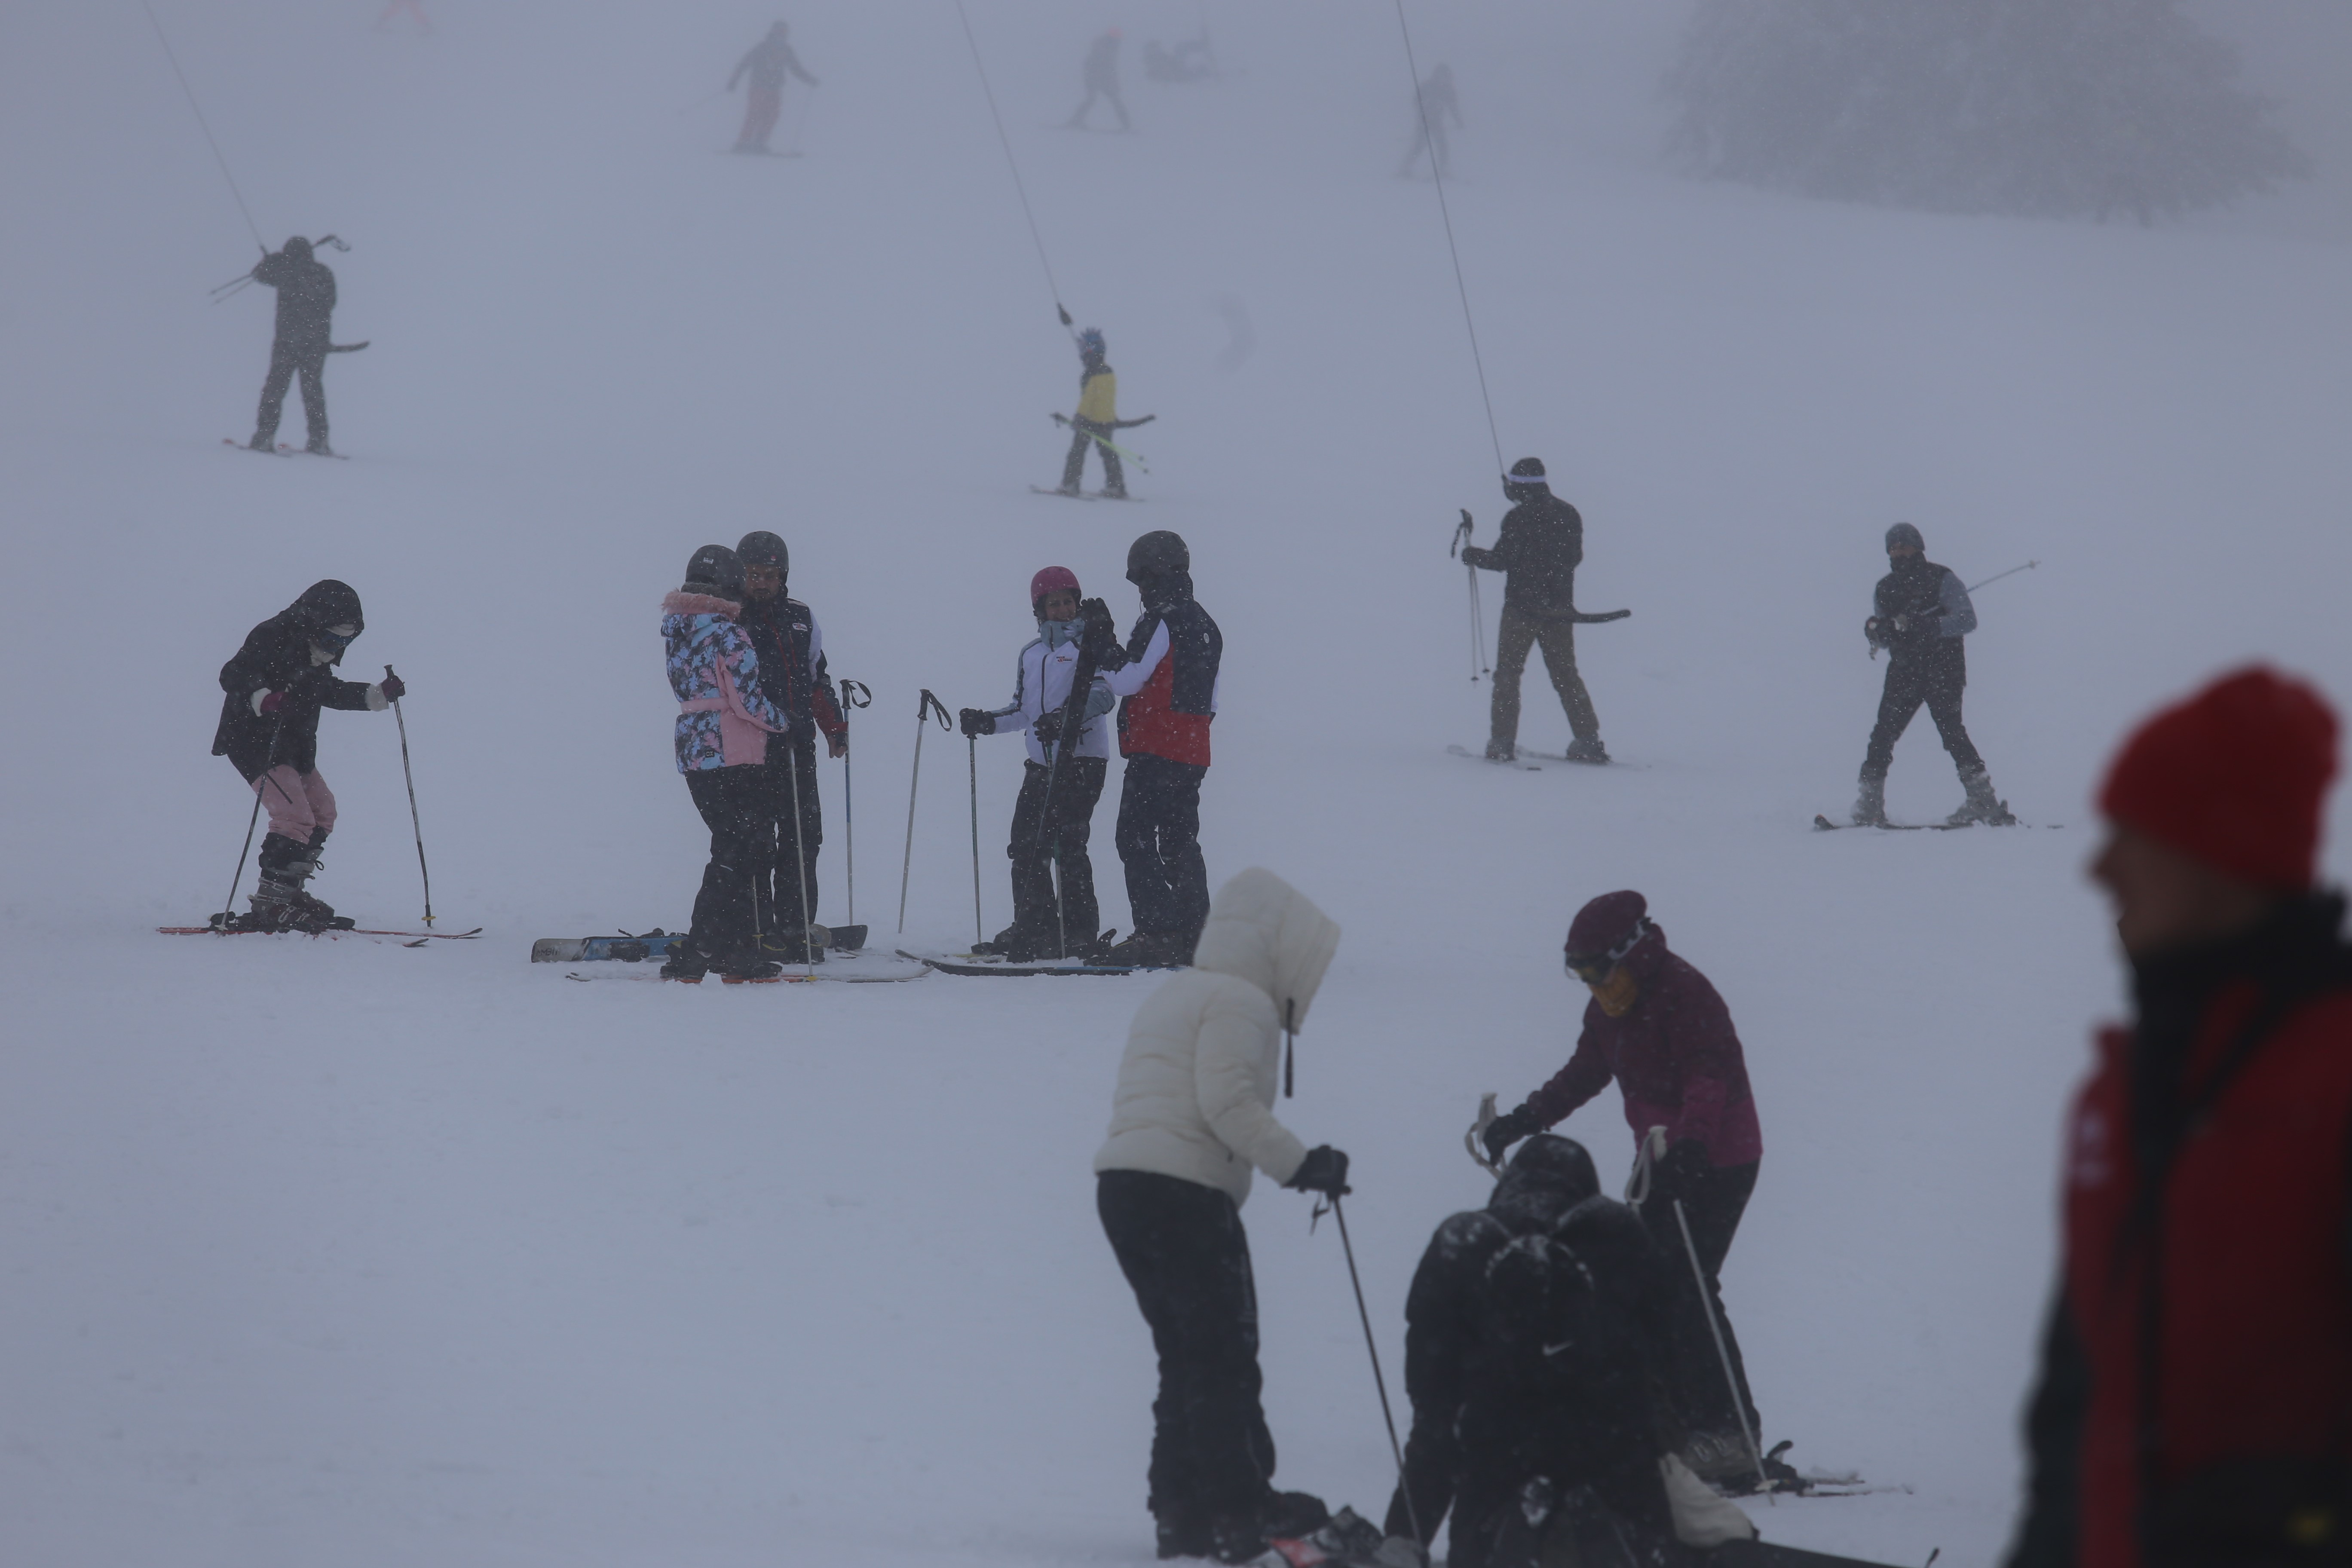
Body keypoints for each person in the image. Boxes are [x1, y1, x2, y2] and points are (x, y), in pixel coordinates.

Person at [2006, 668, 2352, 1568]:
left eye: (2134, 836)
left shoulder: (2333, 1077)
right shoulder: (2120, 1093)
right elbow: (2075, 1418)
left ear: (2218, 856)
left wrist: (2282, 1528)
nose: (2098, 870)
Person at [1093, 867, 1349, 1563]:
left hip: (1124, 1188)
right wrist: (1303, 1165)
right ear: (1278, 949)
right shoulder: (1242, 1001)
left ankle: (1179, 1510)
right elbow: (1227, 1103)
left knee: (1186, 1354)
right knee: (1220, 1355)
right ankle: (1239, 1510)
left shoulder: (1178, 991)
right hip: (1184, 1193)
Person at [1480, 890, 1765, 1485]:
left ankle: (1730, 1434)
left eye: (1599, 971)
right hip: (1662, 1160)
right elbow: (1585, 1072)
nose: (1595, 986)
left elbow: (1708, 1079)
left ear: (1632, 952)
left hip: (1720, 1155)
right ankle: (1683, 1427)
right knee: (1652, 1286)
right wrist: (1527, 1118)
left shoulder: (1687, 994)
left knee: (1688, 1282)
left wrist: (1693, 1146)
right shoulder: (1610, 1008)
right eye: (1581, 975)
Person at [212, 580, 406, 932]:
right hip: (254, 741)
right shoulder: (273, 636)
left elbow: (325, 691)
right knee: (293, 816)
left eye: (345, 642)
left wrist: (376, 695)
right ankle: (270, 902)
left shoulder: (312, 655)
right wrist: (264, 698)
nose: (336, 648)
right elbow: (233, 673)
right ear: (315, 623)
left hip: (294, 746)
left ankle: (288, 892)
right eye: (333, 639)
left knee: (322, 812)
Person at [958, 566, 1117, 962]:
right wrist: (987, 721)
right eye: (1054, 604)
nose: (1063, 610)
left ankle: (1078, 932)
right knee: (1026, 845)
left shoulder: (1089, 646)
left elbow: (1103, 696)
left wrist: (1064, 720)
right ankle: (1035, 925)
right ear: (1040, 610)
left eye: (1068, 602)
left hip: (1082, 760)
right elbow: (1023, 711)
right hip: (1041, 764)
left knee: (1069, 844)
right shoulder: (1032, 654)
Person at [1084, 531, 1221, 968]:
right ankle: (1195, 935)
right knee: (1180, 841)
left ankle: (1158, 935)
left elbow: (1127, 680)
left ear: (1155, 574)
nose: (1140, 591)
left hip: (1156, 748)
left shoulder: (1161, 619)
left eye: (1141, 580)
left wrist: (1103, 641)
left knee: (1135, 836)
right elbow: (1212, 701)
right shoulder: (1206, 624)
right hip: (1193, 750)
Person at [660, 545, 794, 982]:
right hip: (735, 751)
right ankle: (701, 948)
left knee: (733, 846)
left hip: (694, 749)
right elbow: (746, 700)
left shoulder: (678, 631)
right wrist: (783, 722)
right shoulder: (729, 634)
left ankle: (731, 949)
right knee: (739, 851)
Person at [1853, 522, 2012, 827]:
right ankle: (1869, 805)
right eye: (1893, 548)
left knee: (1952, 733)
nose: (1898, 552)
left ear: (1918, 547)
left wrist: (1930, 626)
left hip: (1944, 669)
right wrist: (1878, 633)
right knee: (1883, 735)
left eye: (1904, 546)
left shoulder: (1943, 578)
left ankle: (1983, 801)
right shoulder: (1884, 588)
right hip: (1904, 671)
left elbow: (1967, 620)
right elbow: (1886, 637)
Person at [734, 531, 846, 963]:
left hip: (798, 746)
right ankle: (760, 928)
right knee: (757, 839)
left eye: (769, 575)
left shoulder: (801, 617)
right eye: (753, 575)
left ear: (783, 576)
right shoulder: (731, 618)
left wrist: (833, 727)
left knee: (803, 836)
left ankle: (796, 926)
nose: (761, 583)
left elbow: (817, 677)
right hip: (751, 749)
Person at [1460, 459, 1607, 764]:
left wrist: (1473, 555)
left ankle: (1502, 743)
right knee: (1566, 674)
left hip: (1522, 610)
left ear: (1519, 487)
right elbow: (1575, 558)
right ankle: (1588, 740)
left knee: (1508, 675)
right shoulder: (1568, 513)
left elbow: (1501, 560)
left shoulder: (1518, 517)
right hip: (1559, 610)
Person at [246, 237, 339, 456]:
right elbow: (331, 302)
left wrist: (273, 260)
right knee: (313, 392)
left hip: (287, 342)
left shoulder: (284, 271)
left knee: (274, 390)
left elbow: (258, 274)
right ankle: (319, 440)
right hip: (315, 343)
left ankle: (264, 436)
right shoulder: (322, 272)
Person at [1054, 328, 1153, 499]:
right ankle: (1116, 486)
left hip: (1089, 421)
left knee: (1077, 453)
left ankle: (1070, 484)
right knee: (1109, 454)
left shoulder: (1091, 374)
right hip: (1106, 421)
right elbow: (1107, 398)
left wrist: (1079, 417)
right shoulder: (1109, 372)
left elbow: (1089, 398)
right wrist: (1111, 417)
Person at [728, 21, 818, 155]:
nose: (782, 35)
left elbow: (796, 68)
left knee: (772, 116)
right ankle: (743, 143)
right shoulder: (762, 48)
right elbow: (744, 63)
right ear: (773, 32)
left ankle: (760, 143)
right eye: (780, 32)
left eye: (784, 32)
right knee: (755, 114)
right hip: (759, 87)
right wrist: (733, 81)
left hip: (775, 89)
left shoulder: (786, 50)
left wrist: (809, 79)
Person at [1400, 63, 1463, 178]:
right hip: (1424, 120)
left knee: (1443, 145)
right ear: (1436, 75)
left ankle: (1444, 170)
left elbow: (1453, 107)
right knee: (1420, 145)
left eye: (1446, 76)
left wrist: (1459, 122)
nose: (1444, 78)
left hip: (1438, 121)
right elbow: (1416, 101)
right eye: (1442, 75)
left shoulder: (1449, 90)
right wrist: (1426, 104)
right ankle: (1405, 168)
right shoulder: (1427, 86)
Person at [1064, 28, 1130, 131]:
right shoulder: (1106, 47)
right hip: (1099, 77)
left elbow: (1109, 66)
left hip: (1097, 77)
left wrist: (1111, 79)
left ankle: (1076, 121)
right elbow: (1106, 65)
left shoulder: (1107, 47)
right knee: (1111, 100)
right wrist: (1108, 79)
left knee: (1094, 99)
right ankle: (1127, 125)